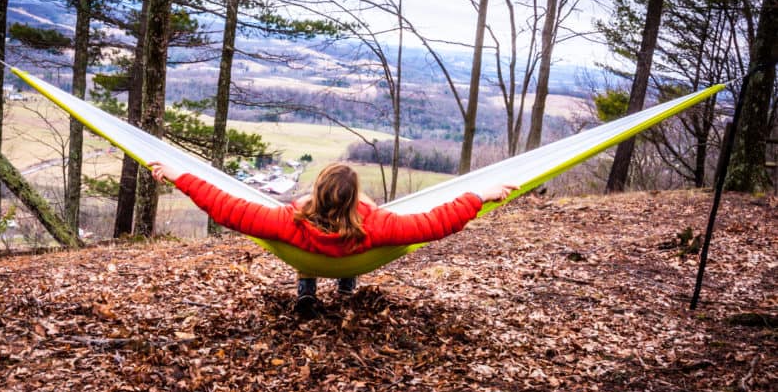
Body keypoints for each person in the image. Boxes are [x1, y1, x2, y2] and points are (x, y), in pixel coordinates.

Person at [149, 161, 517, 317]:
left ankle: (307, 285)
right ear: (353, 197)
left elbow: (224, 207)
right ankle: (347, 280)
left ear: (318, 190)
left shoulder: (287, 221)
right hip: (355, 247)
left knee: (308, 248)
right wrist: (478, 194)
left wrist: (182, 176)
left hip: (306, 251)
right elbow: (437, 222)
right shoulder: (378, 225)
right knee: (354, 238)